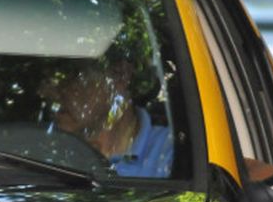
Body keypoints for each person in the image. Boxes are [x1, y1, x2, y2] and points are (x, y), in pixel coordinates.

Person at [39, 58, 173, 178]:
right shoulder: (43, 154)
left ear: (120, 74)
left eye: (70, 74)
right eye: (47, 81)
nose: (48, 92)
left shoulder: (172, 155)